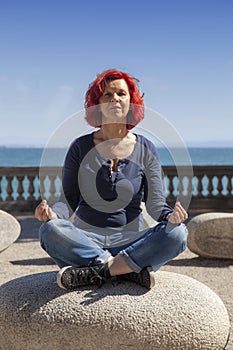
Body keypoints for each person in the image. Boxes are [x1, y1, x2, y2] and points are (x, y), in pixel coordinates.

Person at [35, 69, 188, 291]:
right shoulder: (80, 147)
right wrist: (52, 214)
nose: (115, 98)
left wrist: (170, 217)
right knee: (49, 230)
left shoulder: (146, 148)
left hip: (133, 242)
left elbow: (155, 206)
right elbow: (68, 200)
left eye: (121, 94)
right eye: (107, 95)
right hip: (87, 241)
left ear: (131, 102)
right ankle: (126, 271)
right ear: (97, 104)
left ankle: (96, 272)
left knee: (178, 234)